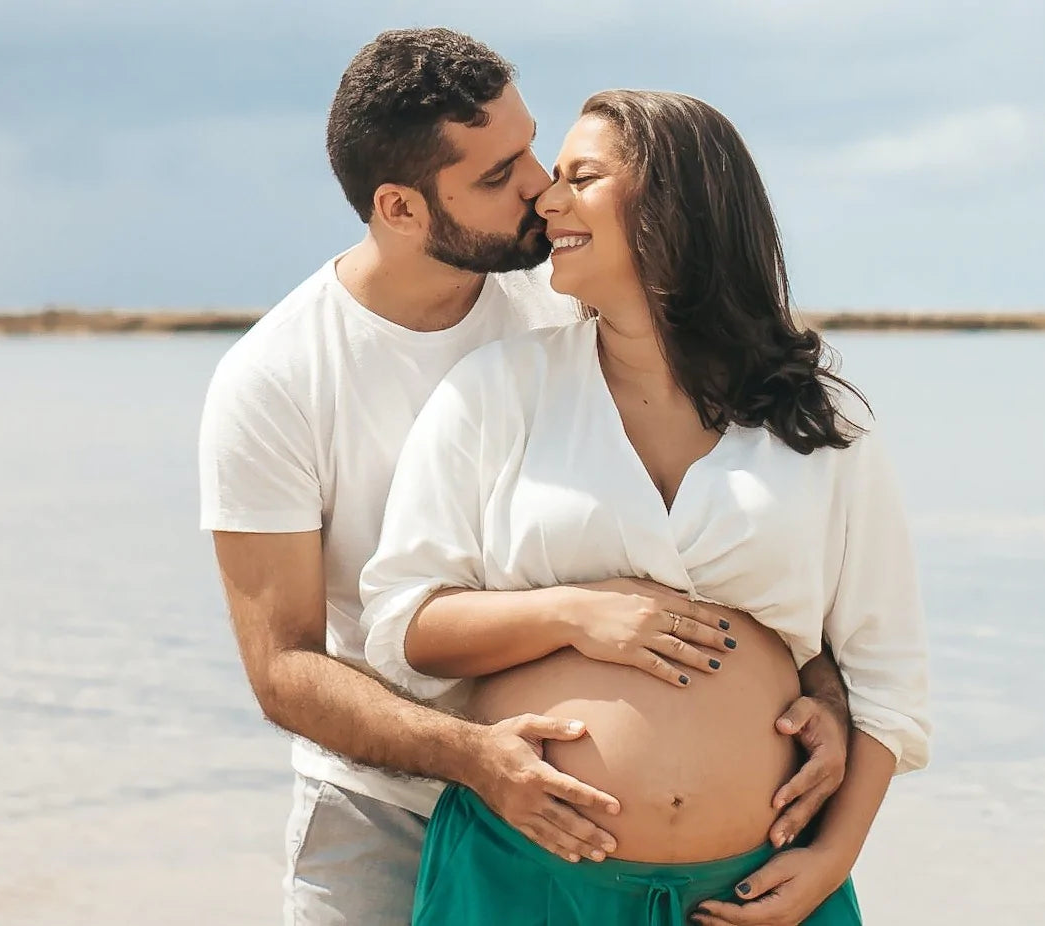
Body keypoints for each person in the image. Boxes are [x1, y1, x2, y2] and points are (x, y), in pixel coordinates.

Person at [198, 30, 856, 924]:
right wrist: (475, 757)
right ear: (400, 207)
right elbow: (284, 668)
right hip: (379, 807)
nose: (543, 188)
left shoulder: (577, 292)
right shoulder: (275, 379)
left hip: (606, 848)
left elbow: (733, 518)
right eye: (498, 174)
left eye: (533, 147)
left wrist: (821, 696)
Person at [359, 89, 932, 926]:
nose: (546, 201)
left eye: (581, 177)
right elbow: (403, 627)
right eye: (551, 178)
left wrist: (828, 862)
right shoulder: (499, 390)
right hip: (526, 880)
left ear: (677, 205)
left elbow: (888, 677)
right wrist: (573, 615)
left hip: (758, 893)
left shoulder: (821, 420)